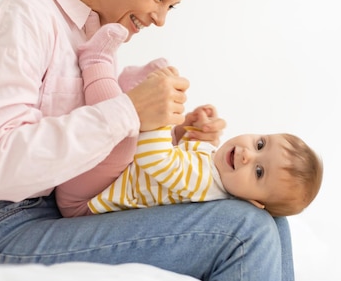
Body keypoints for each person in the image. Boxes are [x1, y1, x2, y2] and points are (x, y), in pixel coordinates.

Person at [0, 0, 296, 281]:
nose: (160, 19)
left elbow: (92, 155)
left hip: (47, 211)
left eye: (170, 7)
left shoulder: (94, 37)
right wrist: (128, 112)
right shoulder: (27, 17)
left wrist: (170, 133)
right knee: (244, 232)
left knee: (272, 221)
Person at [55, 23, 323, 217]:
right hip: (101, 182)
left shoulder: (204, 183)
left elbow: (155, 159)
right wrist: (189, 126)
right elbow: (174, 157)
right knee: (131, 130)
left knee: (126, 141)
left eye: (259, 172)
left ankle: (96, 61)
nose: (247, 156)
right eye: (261, 145)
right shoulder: (215, 167)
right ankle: (131, 88)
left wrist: (161, 116)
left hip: (86, 201)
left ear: (254, 202)